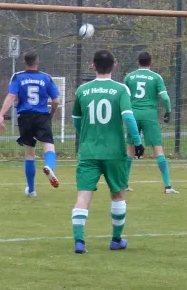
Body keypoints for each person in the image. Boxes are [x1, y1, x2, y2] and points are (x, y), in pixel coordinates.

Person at [70, 50, 145, 254]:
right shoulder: (121, 90)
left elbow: (75, 119)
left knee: (83, 196)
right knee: (118, 194)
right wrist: (137, 142)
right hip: (114, 152)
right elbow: (128, 117)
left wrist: (86, 135)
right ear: (114, 66)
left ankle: (79, 242)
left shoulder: (82, 90)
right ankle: (116, 240)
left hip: (88, 152)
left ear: (93, 66)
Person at [0, 51, 60, 197]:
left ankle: (31, 190)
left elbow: (12, 95)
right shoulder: (46, 78)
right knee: (49, 147)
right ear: (37, 62)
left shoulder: (18, 76)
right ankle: (49, 167)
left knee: (29, 153)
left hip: (25, 117)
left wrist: (1, 115)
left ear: (24, 63)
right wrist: (52, 112)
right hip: (42, 116)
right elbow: (56, 100)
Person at [123, 52, 178, 194]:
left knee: (130, 150)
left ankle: (124, 184)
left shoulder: (129, 77)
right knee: (158, 150)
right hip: (149, 116)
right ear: (151, 63)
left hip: (133, 115)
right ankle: (167, 186)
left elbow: (123, 97)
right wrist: (168, 111)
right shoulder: (156, 77)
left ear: (138, 62)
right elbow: (165, 98)